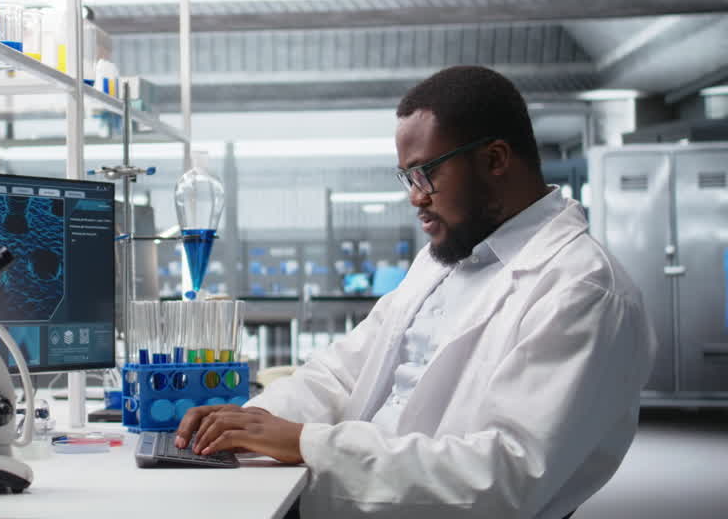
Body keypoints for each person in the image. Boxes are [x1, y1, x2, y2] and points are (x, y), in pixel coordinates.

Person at [176, 66, 656, 519]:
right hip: (352, 491)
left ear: (494, 160)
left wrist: (305, 444)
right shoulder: (444, 259)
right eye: (407, 177)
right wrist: (252, 421)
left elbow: (505, 475)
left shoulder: (583, 289)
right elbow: (342, 372)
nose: (415, 197)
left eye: (426, 173)